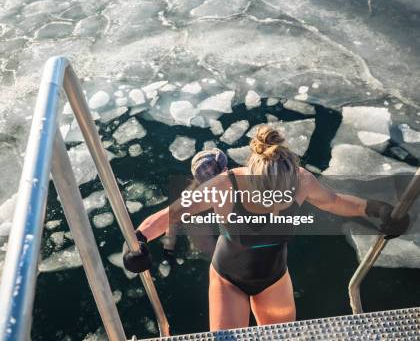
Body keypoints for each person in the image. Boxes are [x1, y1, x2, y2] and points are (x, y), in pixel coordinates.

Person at [123, 125, 410, 331]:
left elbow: (335, 202)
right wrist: (136, 241)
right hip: (228, 281)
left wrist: (378, 209)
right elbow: (170, 214)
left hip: (274, 279)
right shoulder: (224, 186)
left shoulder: (302, 181)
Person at [162, 149, 229, 261]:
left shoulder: (236, 185)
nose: (210, 178)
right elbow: (172, 220)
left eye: (214, 172)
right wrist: (168, 247)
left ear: (225, 170)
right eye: (203, 174)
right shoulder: (192, 196)